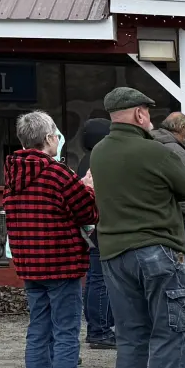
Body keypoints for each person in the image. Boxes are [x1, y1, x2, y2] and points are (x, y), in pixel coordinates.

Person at [89, 87, 185, 368]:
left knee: (130, 332)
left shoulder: (99, 152)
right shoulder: (155, 151)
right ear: (140, 114)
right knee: (174, 329)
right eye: (147, 113)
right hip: (157, 248)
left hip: (113, 253)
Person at [5, 111, 102, 368]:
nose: (58, 140)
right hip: (61, 262)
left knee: (38, 330)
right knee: (65, 330)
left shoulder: (11, 174)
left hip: (29, 263)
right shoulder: (58, 174)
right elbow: (89, 213)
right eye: (56, 136)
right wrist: (88, 187)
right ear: (48, 139)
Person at [74, 117, 116, 350]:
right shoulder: (97, 160)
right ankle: (99, 329)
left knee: (93, 278)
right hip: (100, 225)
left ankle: (99, 325)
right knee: (100, 279)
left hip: (91, 227)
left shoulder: (85, 160)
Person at [153, 113, 185, 264]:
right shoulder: (175, 150)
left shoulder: (156, 143)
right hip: (178, 217)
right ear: (182, 127)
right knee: (180, 259)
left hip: (163, 213)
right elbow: (180, 185)